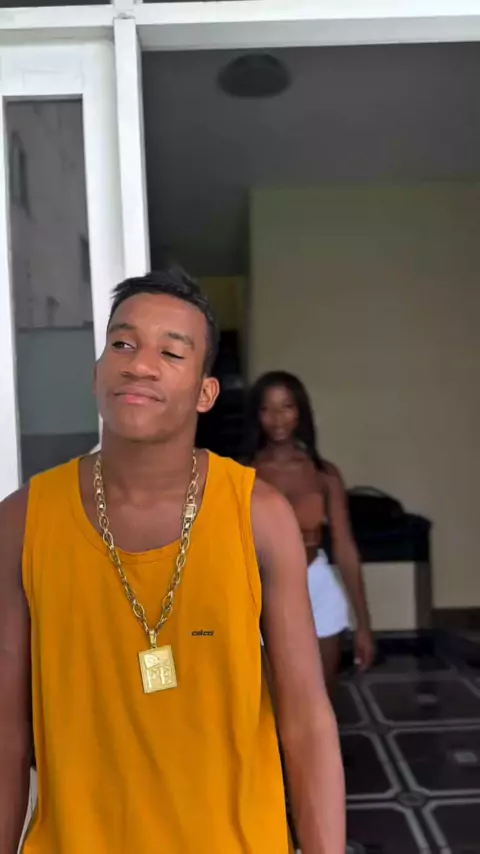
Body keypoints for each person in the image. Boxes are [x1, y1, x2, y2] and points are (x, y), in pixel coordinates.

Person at [0, 269, 345, 854]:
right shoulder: (23, 521)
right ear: (97, 372)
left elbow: (307, 721)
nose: (140, 364)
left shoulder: (258, 515)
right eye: (123, 344)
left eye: (171, 352)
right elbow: (7, 732)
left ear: (206, 393)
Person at [245, 371, 374, 692]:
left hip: (317, 583)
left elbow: (345, 547)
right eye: (266, 408)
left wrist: (364, 624)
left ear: (300, 411)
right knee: (271, 700)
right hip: (264, 586)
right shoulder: (241, 473)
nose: (276, 418)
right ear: (257, 415)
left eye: (286, 407)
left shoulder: (324, 474)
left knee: (319, 696)